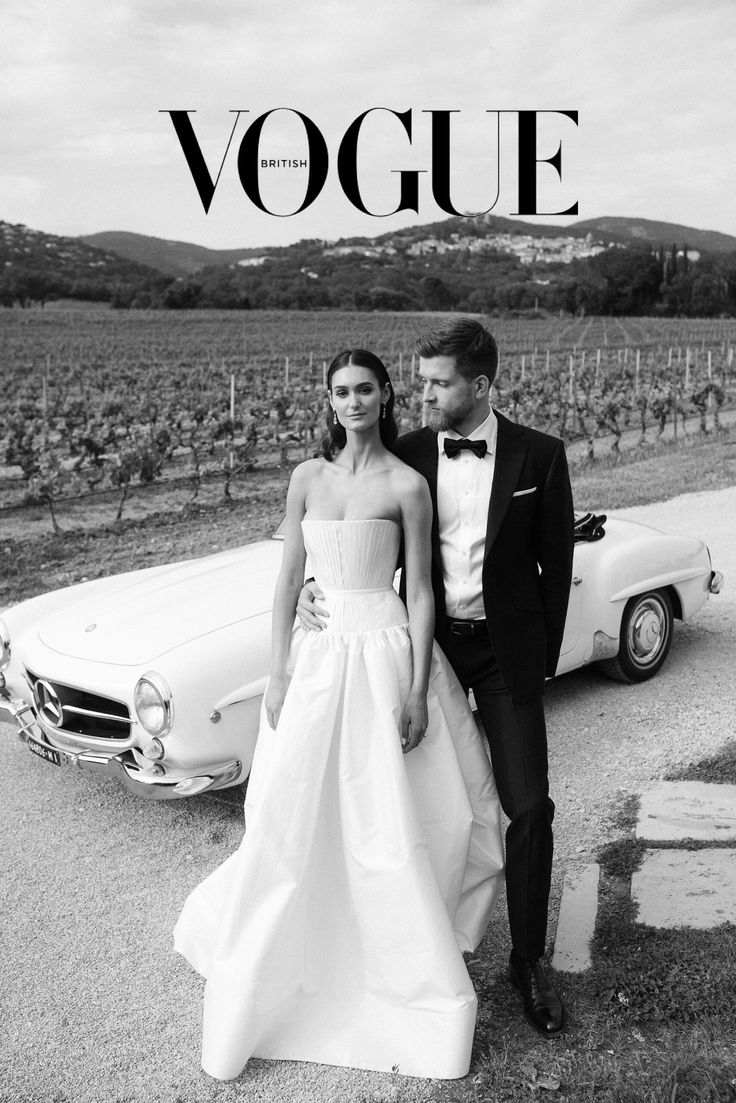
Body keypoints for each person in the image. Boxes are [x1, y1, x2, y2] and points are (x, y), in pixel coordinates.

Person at [174, 349, 505, 1081]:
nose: (352, 401)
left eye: (365, 389)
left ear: (386, 395)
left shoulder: (407, 484)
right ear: (328, 400)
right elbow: (289, 578)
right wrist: (278, 668)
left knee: (389, 814)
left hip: (384, 651)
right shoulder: (306, 478)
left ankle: (394, 950)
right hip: (320, 656)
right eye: (340, 392)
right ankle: (289, 948)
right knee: (293, 813)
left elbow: (420, 591)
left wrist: (418, 687)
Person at [299, 320, 575, 1036]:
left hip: (505, 655)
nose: (422, 394)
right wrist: (310, 582)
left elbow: (557, 567)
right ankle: (408, 946)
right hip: (424, 650)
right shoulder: (410, 452)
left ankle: (527, 959)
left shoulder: (541, 456)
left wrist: (537, 664)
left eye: (437, 382)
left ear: (479, 386)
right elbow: (346, 513)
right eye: (418, 381)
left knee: (529, 807)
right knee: (401, 802)